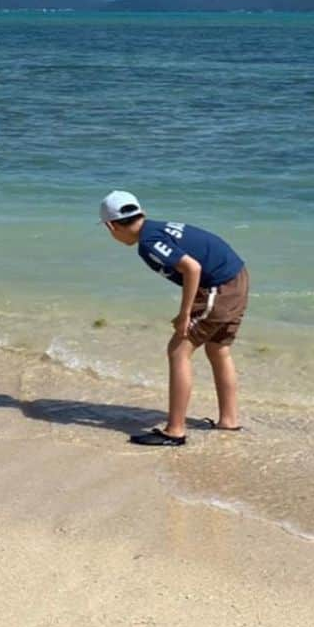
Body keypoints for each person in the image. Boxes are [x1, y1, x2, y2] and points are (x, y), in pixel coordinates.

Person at [99, 190, 249, 447]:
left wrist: (185, 314)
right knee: (218, 348)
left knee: (179, 350)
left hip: (220, 286)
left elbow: (192, 268)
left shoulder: (148, 242)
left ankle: (175, 430)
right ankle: (229, 420)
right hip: (236, 278)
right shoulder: (155, 229)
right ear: (140, 212)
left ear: (111, 226)